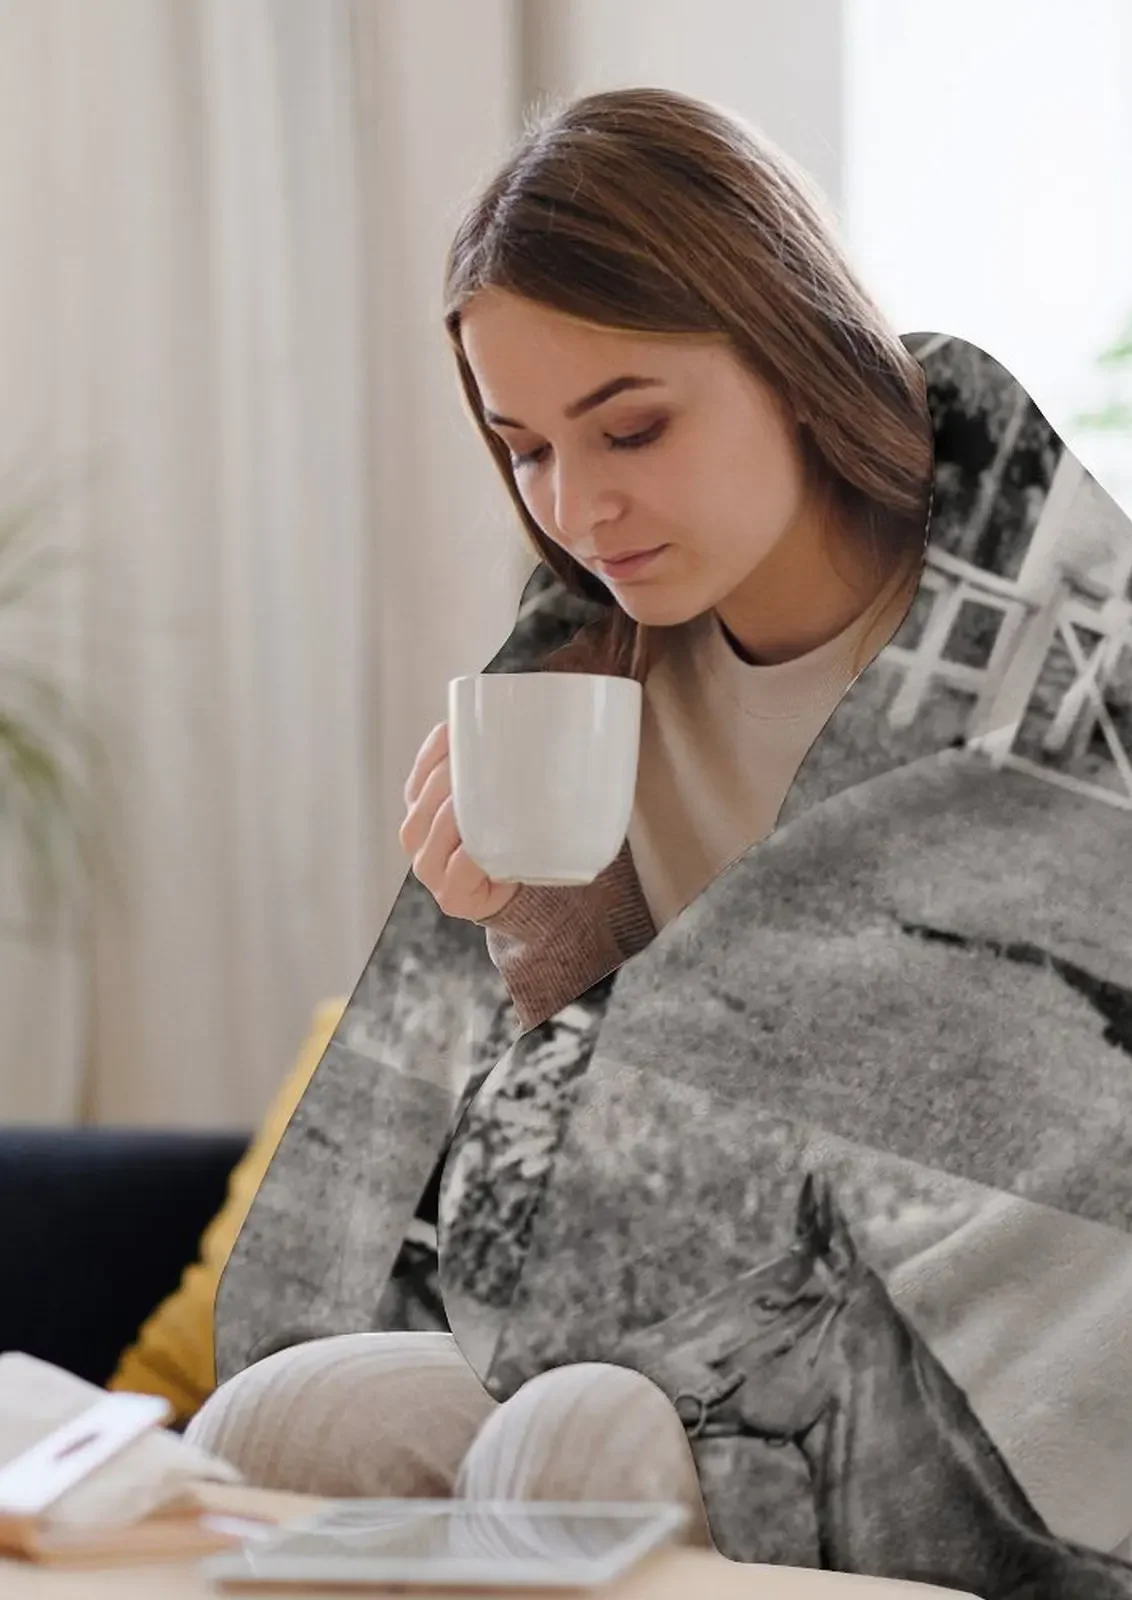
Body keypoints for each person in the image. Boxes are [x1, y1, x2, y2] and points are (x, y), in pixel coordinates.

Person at [183, 85, 933, 1532]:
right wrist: (528, 923)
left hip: (958, 1325)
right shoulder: (594, 675)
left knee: (577, 1447)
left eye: (631, 429)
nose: (577, 511)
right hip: (686, 1296)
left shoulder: (1007, 634)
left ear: (793, 353)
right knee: (277, 1421)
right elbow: (590, 1168)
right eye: (526, 449)